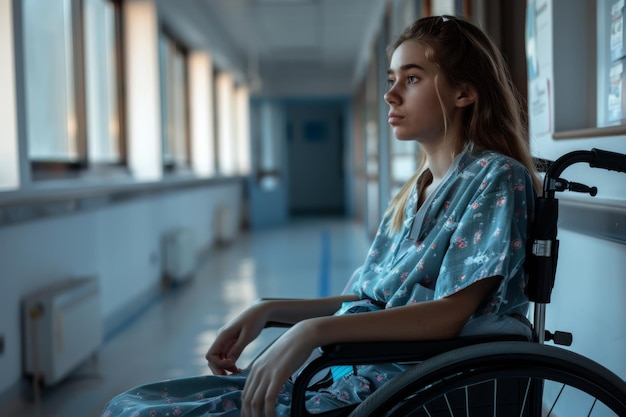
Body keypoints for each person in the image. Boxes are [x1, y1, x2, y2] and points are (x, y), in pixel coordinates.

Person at [101, 14, 540, 417]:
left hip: (398, 383)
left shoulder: (496, 178)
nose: (390, 94)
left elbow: (449, 315)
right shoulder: (416, 189)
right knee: (131, 403)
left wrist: (313, 332)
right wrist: (269, 309)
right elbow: (368, 299)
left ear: (463, 92)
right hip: (350, 368)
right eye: (391, 79)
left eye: (412, 78)